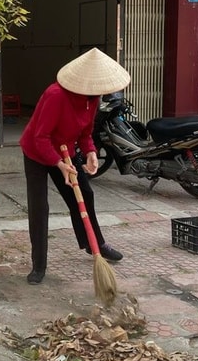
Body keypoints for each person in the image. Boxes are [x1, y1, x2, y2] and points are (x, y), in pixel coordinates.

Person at [20, 48, 130, 285]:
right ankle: (39, 264)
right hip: (37, 152)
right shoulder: (56, 95)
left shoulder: (93, 99)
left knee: (84, 195)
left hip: (66, 151)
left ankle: (95, 244)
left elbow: (85, 132)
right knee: (40, 207)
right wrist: (58, 164)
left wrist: (90, 151)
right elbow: (41, 137)